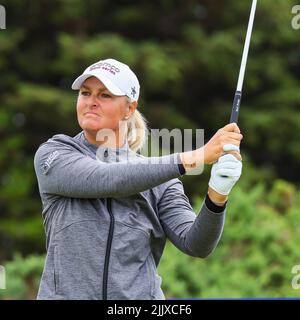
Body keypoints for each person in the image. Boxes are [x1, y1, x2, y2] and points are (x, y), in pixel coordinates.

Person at [34, 58, 243, 300]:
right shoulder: (55, 153)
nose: (91, 102)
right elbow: (107, 179)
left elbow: (196, 243)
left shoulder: (161, 180)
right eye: (85, 93)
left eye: (105, 95)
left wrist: (218, 193)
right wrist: (196, 157)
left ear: (130, 109)